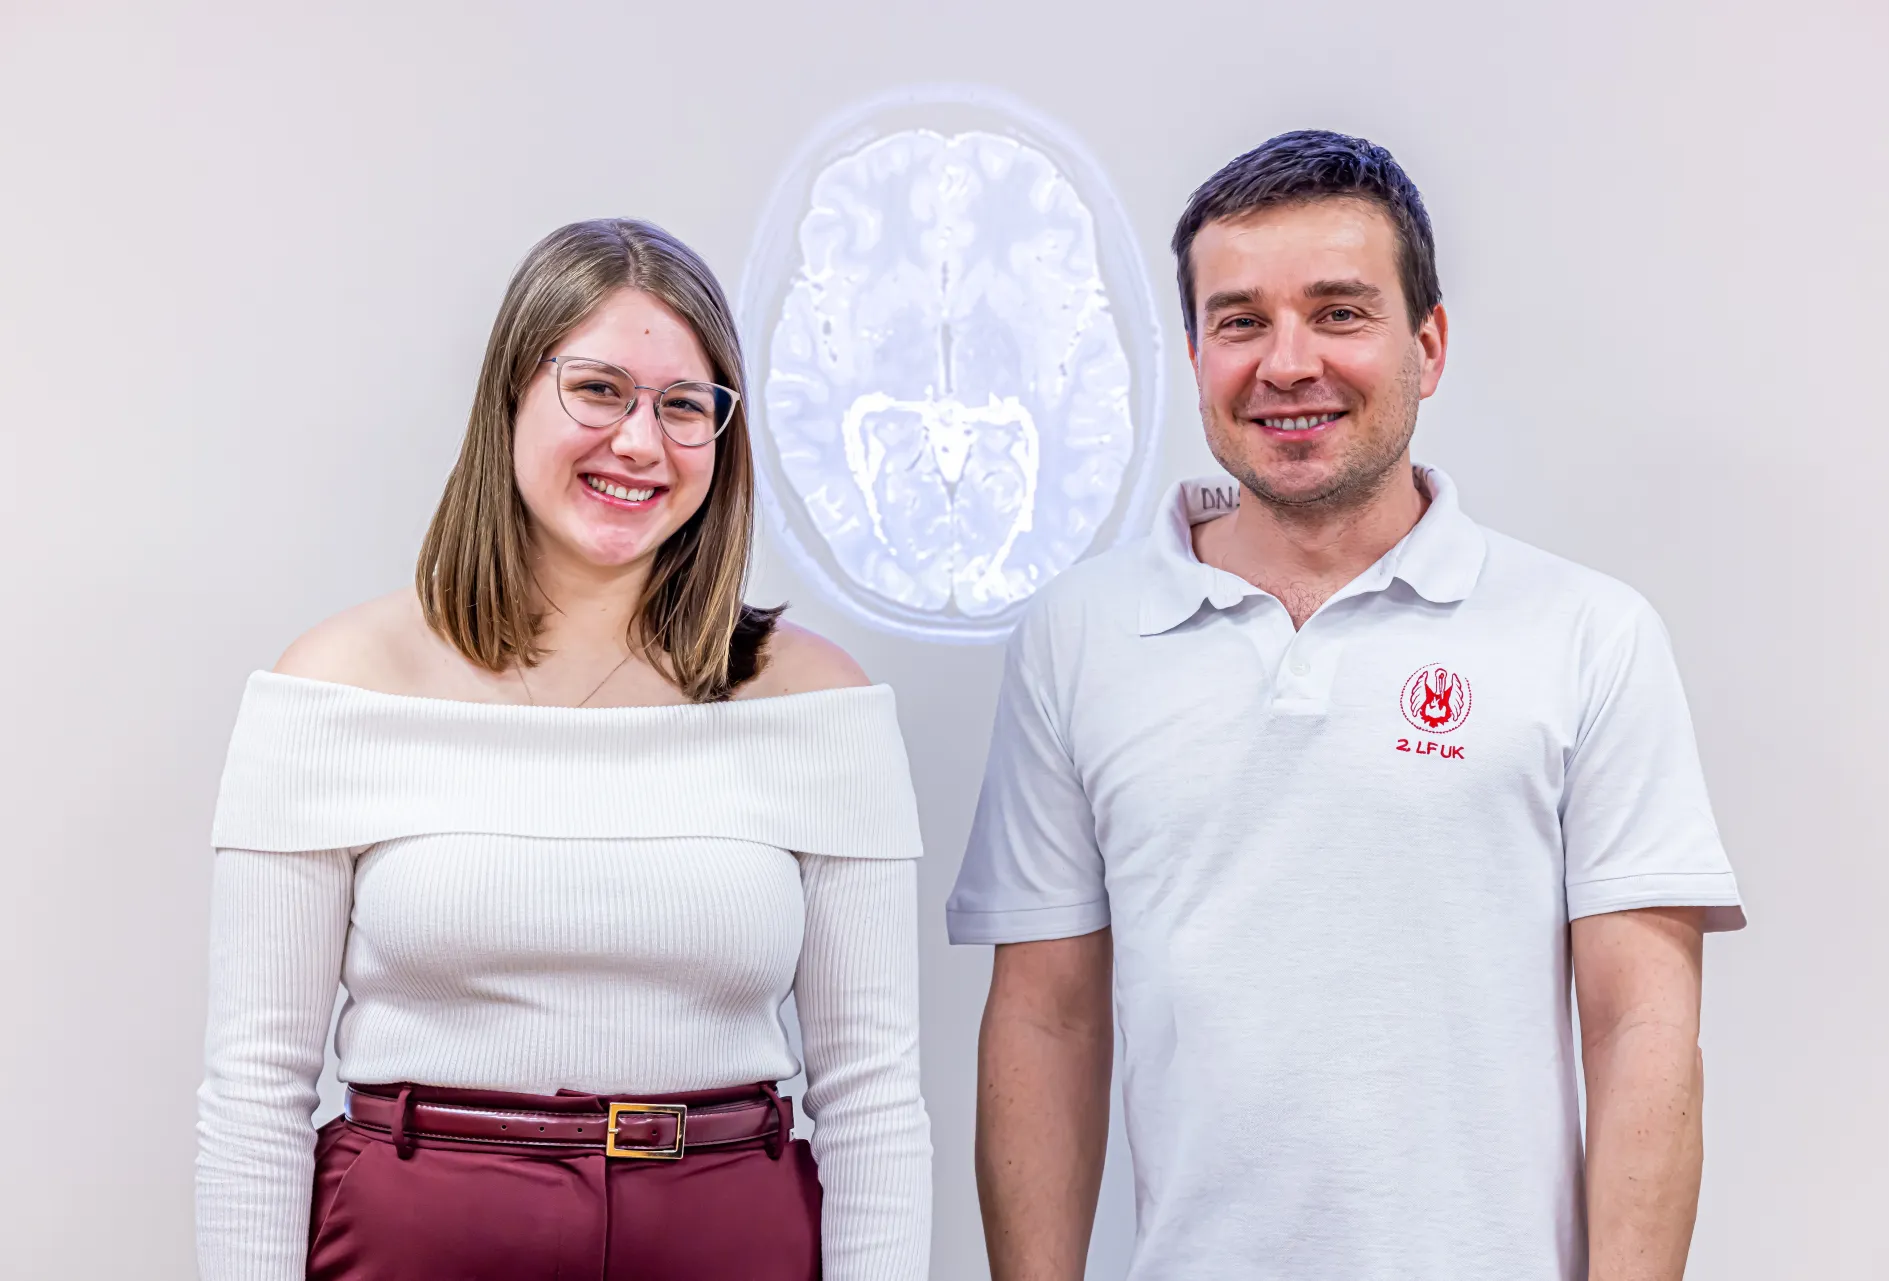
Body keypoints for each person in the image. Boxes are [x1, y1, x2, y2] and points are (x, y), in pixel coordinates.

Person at [948, 131, 1744, 1281]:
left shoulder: (1588, 634)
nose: (1286, 362)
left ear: (1429, 343)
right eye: (1240, 321)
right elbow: (1046, 1022)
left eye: (1337, 312)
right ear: (1194, 350)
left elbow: (1644, 1033)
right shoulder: (1078, 639)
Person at [196, 218, 932, 1281]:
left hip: (731, 1238)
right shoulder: (333, 685)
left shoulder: (818, 701)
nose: (641, 442)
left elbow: (872, 1094)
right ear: (510, 398)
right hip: (415, 1243)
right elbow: (255, 1091)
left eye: (686, 407)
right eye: (598, 390)